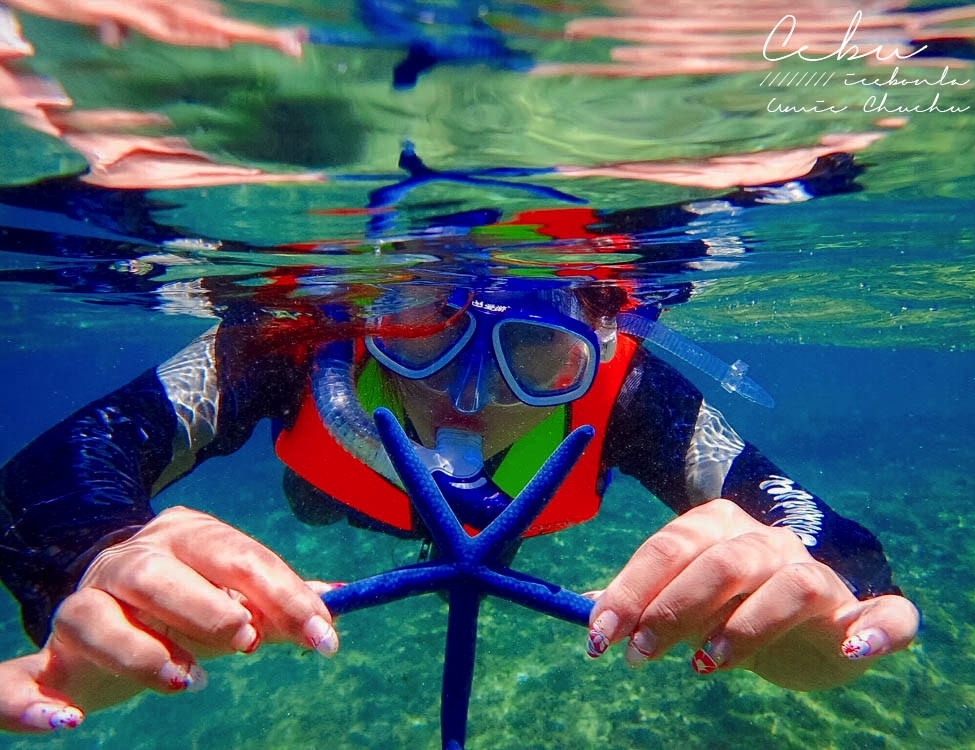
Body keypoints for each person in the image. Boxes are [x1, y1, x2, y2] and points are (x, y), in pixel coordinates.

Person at [0, 275, 919, 733]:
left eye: (537, 356)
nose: (469, 394)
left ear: (595, 338)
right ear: (365, 315)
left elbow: (816, 528)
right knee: (316, 503)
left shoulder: (636, 398)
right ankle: (320, 493)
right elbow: (62, 467)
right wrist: (96, 558)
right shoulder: (285, 342)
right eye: (416, 327)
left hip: (498, 539)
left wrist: (818, 594)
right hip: (338, 485)